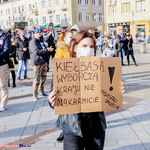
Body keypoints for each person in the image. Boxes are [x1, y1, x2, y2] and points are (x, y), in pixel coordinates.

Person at [49, 31, 106, 150]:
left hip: (95, 124)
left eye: (91, 47)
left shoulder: (100, 68)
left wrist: (115, 90)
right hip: (72, 126)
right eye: (84, 46)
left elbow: (107, 95)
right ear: (75, 47)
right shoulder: (64, 69)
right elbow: (54, 99)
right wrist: (51, 100)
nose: (88, 49)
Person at [53, 30, 73, 142]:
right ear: (64, 38)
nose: (72, 38)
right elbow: (57, 63)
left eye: (73, 36)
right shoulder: (61, 49)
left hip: (75, 80)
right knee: (66, 108)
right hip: (65, 80)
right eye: (70, 37)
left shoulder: (74, 47)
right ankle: (64, 131)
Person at [29, 28, 54, 101]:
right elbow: (36, 51)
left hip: (44, 61)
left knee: (43, 78)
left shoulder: (41, 41)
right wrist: (47, 50)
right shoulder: (33, 41)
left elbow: (43, 49)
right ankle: (34, 94)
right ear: (35, 34)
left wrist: (48, 49)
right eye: (38, 33)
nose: (40, 34)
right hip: (37, 62)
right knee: (37, 79)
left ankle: (41, 91)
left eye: (41, 33)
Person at [0, 28, 11, 111]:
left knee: (3, 85)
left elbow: (6, 50)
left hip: (2, 63)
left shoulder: (5, 36)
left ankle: (3, 103)